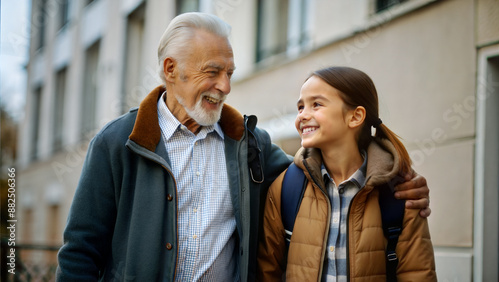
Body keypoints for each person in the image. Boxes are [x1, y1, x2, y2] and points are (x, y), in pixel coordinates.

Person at [56, 13, 431, 281]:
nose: (225, 87)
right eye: (213, 71)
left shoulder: (250, 144)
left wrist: (396, 179)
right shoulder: (118, 144)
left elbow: (322, 179)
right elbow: (80, 252)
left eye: (230, 73)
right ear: (171, 70)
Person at [258, 66, 437, 281]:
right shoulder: (286, 187)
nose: (303, 115)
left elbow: (417, 275)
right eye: (300, 107)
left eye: (316, 104)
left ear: (355, 117)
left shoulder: (400, 193)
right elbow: (266, 273)